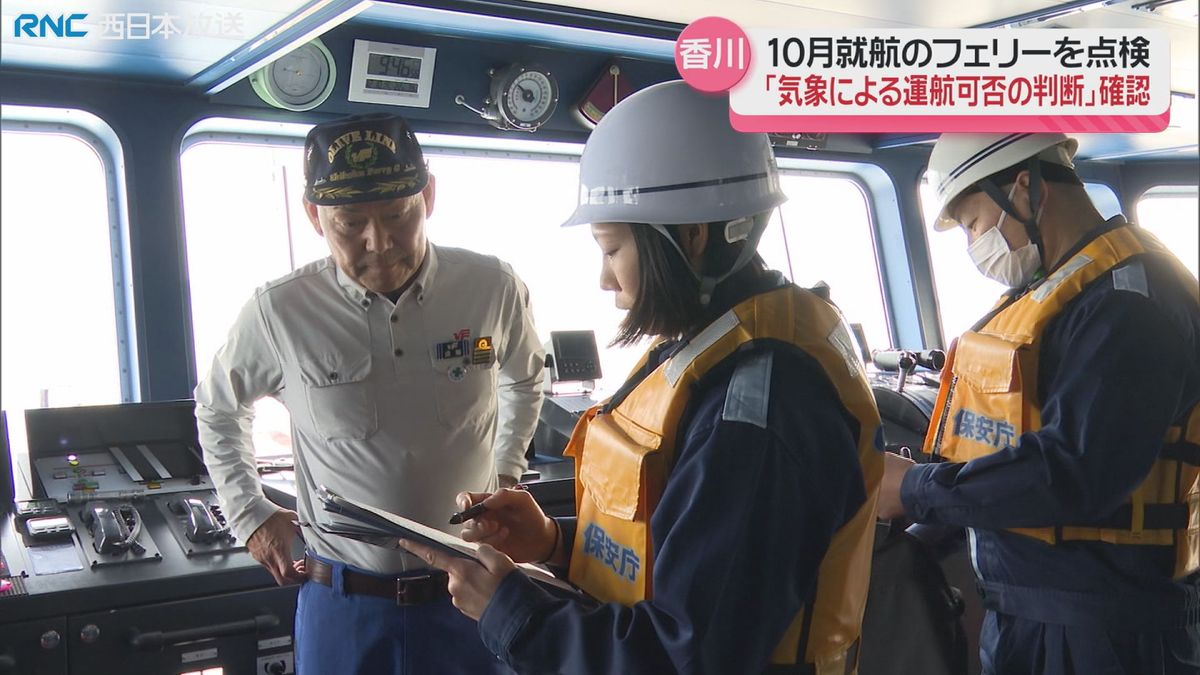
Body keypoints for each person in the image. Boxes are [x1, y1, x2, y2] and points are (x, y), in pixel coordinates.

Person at [401, 80, 884, 675]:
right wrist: (557, 544)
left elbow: (689, 658)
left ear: (691, 237)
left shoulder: (760, 405)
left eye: (611, 249)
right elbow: (684, 554)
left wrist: (510, 609)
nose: (606, 280)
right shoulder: (707, 351)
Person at [195, 112, 545, 675]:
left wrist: (506, 470)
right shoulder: (280, 311)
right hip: (345, 602)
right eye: (350, 222)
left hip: (474, 593)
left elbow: (526, 378)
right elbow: (217, 407)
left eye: (396, 215)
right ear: (314, 216)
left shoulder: (491, 287)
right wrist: (250, 514)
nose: (377, 242)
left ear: (428, 196)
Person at [876, 132, 1200, 674]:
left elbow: (1078, 473)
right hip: (1035, 614)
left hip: (1109, 628)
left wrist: (914, 491)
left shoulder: (1127, 304)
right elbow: (1018, 443)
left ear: (1024, 187)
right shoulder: (1059, 290)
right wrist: (930, 484)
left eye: (974, 223)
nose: (974, 243)